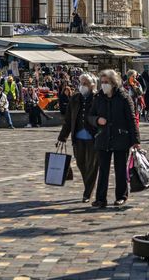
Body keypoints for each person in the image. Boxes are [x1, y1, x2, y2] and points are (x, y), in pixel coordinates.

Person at [89, 69, 140, 208]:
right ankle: (100, 199)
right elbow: (90, 116)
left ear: (113, 83)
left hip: (120, 138)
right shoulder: (98, 97)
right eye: (102, 82)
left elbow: (131, 119)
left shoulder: (124, 97)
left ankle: (121, 196)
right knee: (103, 170)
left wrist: (136, 141)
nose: (104, 85)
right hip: (103, 137)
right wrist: (97, 120)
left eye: (106, 82)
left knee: (120, 169)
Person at [58, 73, 99, 202]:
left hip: (94, 138)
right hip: (78, 138)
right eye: (81, 83)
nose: (82, 86)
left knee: (92, 166)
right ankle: (88, 186)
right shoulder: (75, 98)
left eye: (85, 83)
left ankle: (87, 192)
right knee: (81, 164)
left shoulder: (98, 98)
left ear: (92, 85)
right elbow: (68, 120)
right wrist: (62, 136)